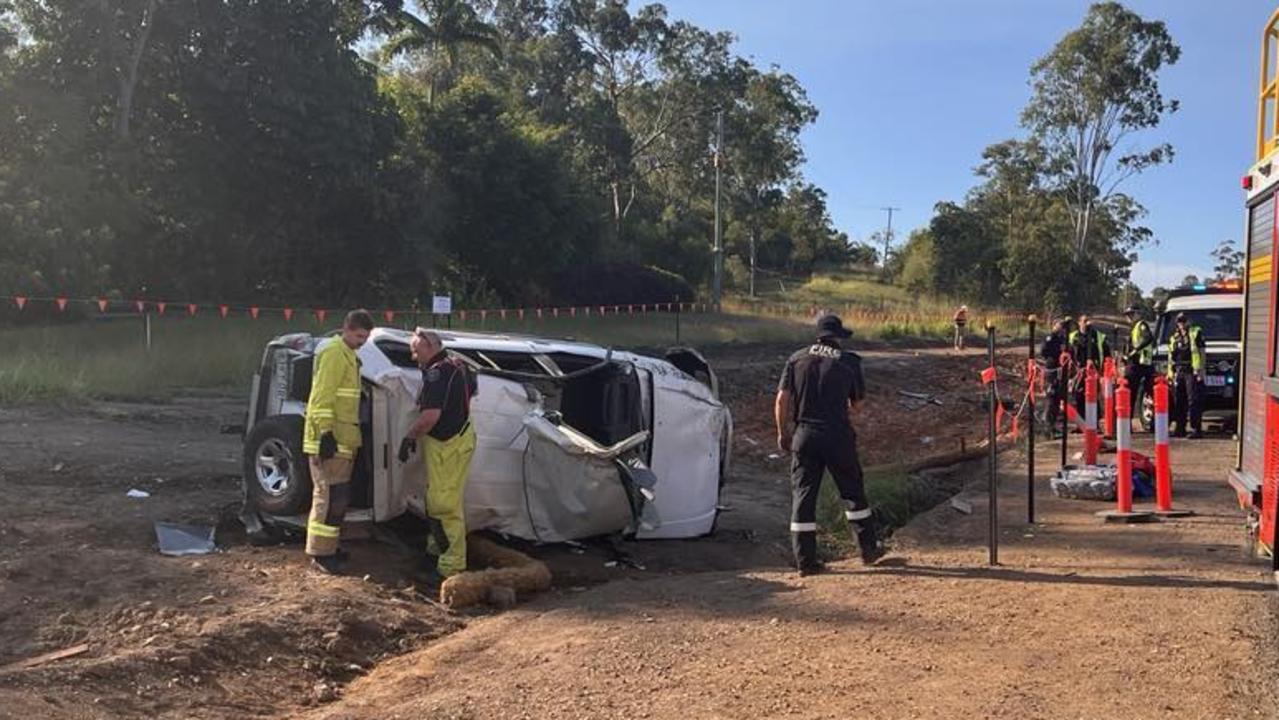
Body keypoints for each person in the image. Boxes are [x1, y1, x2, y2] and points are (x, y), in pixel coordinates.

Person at [775, 314, 886, 575]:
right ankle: (868, 549)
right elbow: (857, 404)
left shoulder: (796, 358)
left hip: (804, 434)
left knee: (803, 496)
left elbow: (781, 400)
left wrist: (783, 433)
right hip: (837, 435)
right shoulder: (848, 362)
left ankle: (805, 561)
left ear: (818, 335)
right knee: (852, 491)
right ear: (837, 337)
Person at [399, 328, 478, 583]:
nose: (413, 356)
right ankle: (435, 553)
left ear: (431, 346)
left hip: (448, 445)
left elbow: (430, 417)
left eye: (416, 349)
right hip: (456, 440)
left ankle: (450, 567)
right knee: (436, 499)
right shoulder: (458, 365)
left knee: (443, 505)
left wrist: (409, 437)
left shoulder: (436, 374)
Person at [302, 309, 374, 574]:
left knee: (339, 497)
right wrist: (325, 434)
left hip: (344, 440)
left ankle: (329, 546)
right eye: (359, 336)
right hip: (330, 440)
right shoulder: (334, 353)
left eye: (365, 337)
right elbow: (321, 398)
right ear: (347, 329)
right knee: (329, 497)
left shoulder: (349, 355)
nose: (362, 342)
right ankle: (320, 553)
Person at [1167, 312, 1206, 438]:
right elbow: (1170, 357)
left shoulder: (1195, 333)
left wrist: (1201, 370)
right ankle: (1180, 428)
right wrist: (1170, 373)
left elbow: (1201, 352)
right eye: (1179, 321)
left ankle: (1196, 429)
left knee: (1193, 400)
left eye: (1184, 321)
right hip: (1179, 370)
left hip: (1192, 370)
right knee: (1179, 400)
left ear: (1188, 321)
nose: (1182, 324)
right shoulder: (1174, 338)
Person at [1069, 314, 1110, 418]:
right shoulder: (1073, 336)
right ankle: (1081, 423)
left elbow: (1106, 353)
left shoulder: (1098, 336)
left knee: (1093, 395)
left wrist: (1105, 370)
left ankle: (1095, 423)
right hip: (1078, 371)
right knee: (1079, 396)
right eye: (1084, 321)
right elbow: (1068, 353)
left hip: (1093, 371)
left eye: (1088, 321)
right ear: (1079, 323)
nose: (1087, 323)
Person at [1123, 304, 1155, 419]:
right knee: (1130, 393)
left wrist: (1135, 350)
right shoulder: (1133, 327)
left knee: (1149, 392)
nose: (1129, 317)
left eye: (1131, 314)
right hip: (1135, 363)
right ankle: (1127, 421)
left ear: (1138, 313)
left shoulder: (1141, 325)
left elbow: (1148, 338)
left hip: (1141, 364)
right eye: (1127, 315)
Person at [1039, 318, 1069, 437]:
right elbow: (1043, 351)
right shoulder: (1050, 338)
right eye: (1059, 325)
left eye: (1062, 325)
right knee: (1051, 397)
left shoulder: (1063, 339)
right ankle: (1048, 426)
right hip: (1052, 370)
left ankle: (1053, 425)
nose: (1061, 327)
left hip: (1062, 371)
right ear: (1054, 326)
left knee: (1058, 398)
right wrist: (1055, 355)